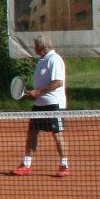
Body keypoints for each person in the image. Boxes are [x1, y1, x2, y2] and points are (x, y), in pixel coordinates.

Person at [13, 34, 69, 177]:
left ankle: (64, 165)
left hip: (54, 104)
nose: (34, 47)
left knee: (57, 135)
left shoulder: (54, 59)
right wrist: (34, 93)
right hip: (39, 105)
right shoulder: (41, 61)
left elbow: (58, 82)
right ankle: (26, 164)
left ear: (40, 46)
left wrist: (38, 91)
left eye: (35, 45)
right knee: (32, 133)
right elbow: (42, 84)